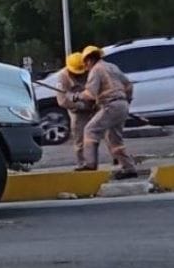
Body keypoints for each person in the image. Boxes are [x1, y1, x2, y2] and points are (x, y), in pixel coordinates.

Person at [74, 45, 138, 178]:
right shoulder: (112, 66)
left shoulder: (95, 70)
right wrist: (127, 101)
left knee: (90, 130)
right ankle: (129, 168)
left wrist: (77, 96)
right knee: (115, 140)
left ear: (89, 60)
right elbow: (129, 85)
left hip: (110, 106)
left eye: (85, 63)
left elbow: (90, 94)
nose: (85, 67)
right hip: (122, 105)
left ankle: (90, 164)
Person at [55, 52, 94, 168]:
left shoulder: (90, 71)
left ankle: (117, 158)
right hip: (78, 111)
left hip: (94, 103)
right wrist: (80, 106)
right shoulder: (62, 77)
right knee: (80, 137)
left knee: (108, 132)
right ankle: (82, 163)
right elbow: (62, 101)